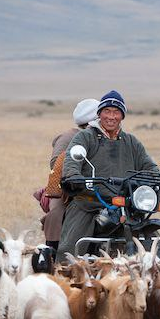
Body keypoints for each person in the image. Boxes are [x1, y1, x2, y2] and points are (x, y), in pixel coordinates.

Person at [58, 90, 160, 259]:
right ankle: (64, 275)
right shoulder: (85, 137)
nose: (111, 116)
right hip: (89, 202)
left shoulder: (131, 141)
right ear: (99, 114)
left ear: (122, 116)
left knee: (153, 239)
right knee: (70, 251)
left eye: (116, 112)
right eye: (107, 111)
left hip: (127, 204)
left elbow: (149, 167)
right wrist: (75, 178)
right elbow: (71, 163)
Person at [41, 98, 99, 253]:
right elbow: (55, 163)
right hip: (67, 189)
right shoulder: (68, 136)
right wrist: (75, 171)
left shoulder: (101, 136)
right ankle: (52, 250)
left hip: (96, 186)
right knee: (57, 213)